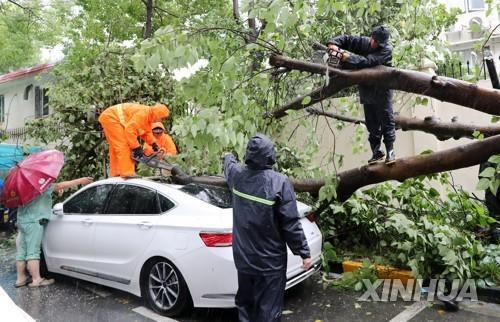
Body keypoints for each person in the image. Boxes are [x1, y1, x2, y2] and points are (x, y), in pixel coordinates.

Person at [223, 133, 312, 322]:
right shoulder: (280, 183)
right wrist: (304, 253)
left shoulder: (237, 176)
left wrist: (228, 156)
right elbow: (290, 224)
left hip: (244, 259)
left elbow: (228, 167)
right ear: (271, 156)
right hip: (270, 264)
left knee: (245, 305)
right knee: (268, 311)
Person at [327, 26, 396, 164]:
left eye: (380, 43)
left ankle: (390, 152)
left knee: (386, 121)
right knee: (371, 124)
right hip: (367, 89)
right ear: (372, 37)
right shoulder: (363, 42)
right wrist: (333, 44)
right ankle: (376, 152)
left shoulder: (387, 50)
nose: (376, 45)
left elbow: (367, 61)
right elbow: (347, 39)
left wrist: (346, 56)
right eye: (375, 41)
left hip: (382, 90)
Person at [15, 176, 93, 288]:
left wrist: (55, 192)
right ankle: (37, 280)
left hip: (22, 221)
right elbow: (59, 185)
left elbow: (44, 196)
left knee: (21, 252)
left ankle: (20, 278)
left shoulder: (21, 188)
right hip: (34, 222)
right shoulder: (39, 185)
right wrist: (80, 181)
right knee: (33, 252)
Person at [98, 102, 170, 178]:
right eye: (161, 118)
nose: (161, 120)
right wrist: (136, 148)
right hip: (111, 117)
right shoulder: (143, 115)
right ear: (157, 114)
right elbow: (130, 131)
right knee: (123, 145)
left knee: (115, 147)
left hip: (109, 117)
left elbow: (145, 132)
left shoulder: (148, 116)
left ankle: (117, 172)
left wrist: (153, 143)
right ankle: (127, 172)